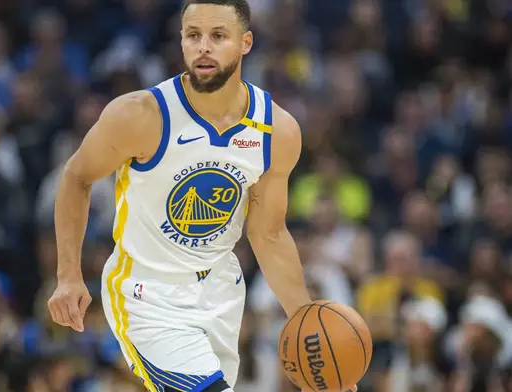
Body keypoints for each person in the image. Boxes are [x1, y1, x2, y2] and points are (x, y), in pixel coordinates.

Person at [48, 1, 357, 391]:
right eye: (193, 35)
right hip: (147, 294)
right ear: (181, 41)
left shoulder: (276, 130)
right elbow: (76, 176)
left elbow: (268, 235)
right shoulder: (140, 115)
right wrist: (68, 276)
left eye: (218, 36)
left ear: (246, 42)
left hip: (221, 293)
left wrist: (311, 331)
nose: (203, 47)